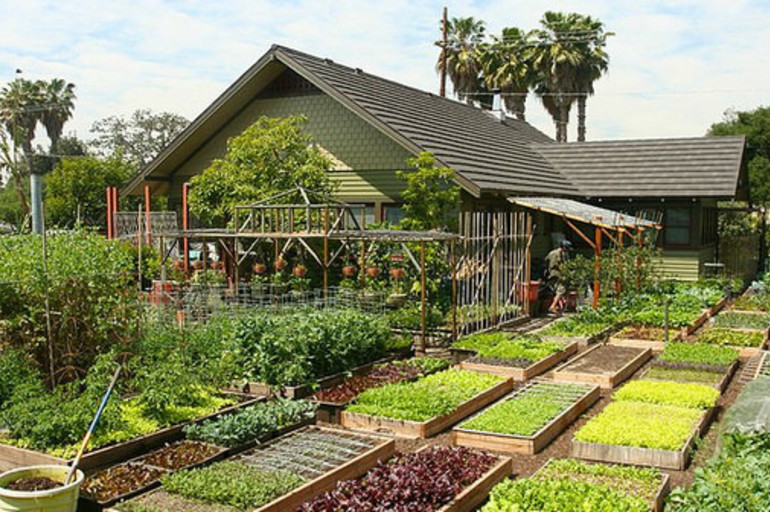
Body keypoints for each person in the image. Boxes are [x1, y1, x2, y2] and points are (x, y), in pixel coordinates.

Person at [545, 240, 572, 315]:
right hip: (555, 274)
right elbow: (554, 265)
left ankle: (556, 306)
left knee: (557, 291)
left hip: (557, 273)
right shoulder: (555, 254)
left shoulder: (561, 253)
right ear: (564, 247)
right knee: (561, 289)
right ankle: (552, 306)